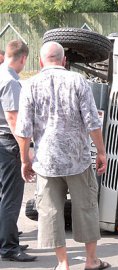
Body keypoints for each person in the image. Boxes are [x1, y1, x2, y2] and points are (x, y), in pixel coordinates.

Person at [15, 41, 110, 270]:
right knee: (86, 207)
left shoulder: (30, 85)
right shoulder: (78, 81)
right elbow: (92, 122)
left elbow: (23, 130)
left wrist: (25, 161)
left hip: (46, 162)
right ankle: (91, 261)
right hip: (77, 160)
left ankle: (63, 263)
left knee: (50, 212)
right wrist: (101, 152)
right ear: (64, 60)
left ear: (40, 61)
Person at [0, 40, 36, 262]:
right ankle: (9, 248)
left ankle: (6, 238)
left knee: (3, 196)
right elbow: (14, 121)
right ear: (23, 58)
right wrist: (25, 154)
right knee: (11, 199)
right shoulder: (11, 81)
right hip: (8, 143)